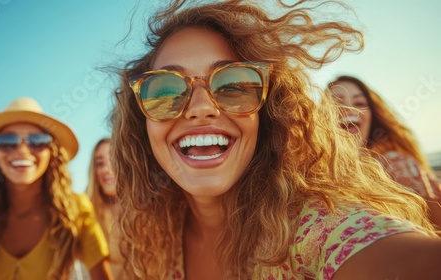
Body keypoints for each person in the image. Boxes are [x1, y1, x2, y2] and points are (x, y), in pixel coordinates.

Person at [108, 0, 441, 279]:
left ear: (267, 114)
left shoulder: (312, 229)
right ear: (142, 122)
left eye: (234, 85)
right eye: (165, 90)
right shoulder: (147, 241)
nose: (200, 108)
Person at [0, 97, 113, 280]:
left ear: (52, 152)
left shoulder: (78, 208)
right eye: (7, 141)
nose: (22, 150)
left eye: (37, 140)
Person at [328, 75, 441, 229]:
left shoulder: (395, 164)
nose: (350, 109)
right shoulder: (315, 176)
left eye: (359, 103)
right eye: (337, 102)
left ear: (372, 116)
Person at [85, 138, 122, 277]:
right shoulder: (86, 213)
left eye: (114, 160)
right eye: (100, 163)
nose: (107, 169)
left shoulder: (149, 209)